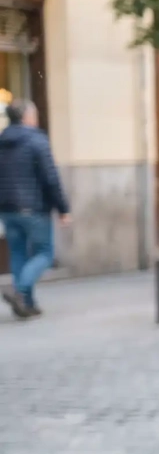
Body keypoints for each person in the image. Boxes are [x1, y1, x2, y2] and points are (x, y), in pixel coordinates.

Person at [0, 100, 69, 318]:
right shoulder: (37, 140)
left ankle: (26, 304)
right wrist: (63, 208)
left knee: (18, 253)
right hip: (33, 208)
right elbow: (51, 178)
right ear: (27, 117)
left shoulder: (2, 141)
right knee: (45, 253)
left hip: (7, 209)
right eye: (35, 114)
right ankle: (19, 291)